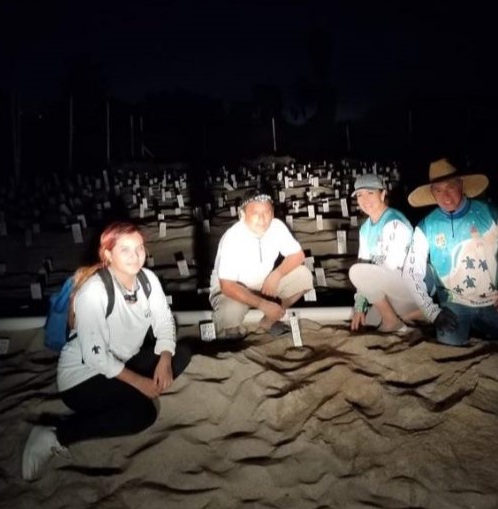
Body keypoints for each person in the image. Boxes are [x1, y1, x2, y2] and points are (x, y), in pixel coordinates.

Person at [22, 221, 192, 481]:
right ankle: (56, 435)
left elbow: (164, 320)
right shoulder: (95, 291)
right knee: (141, 414)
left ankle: (116, 400)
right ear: (108, 254)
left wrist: (165, 358)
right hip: (83, 377)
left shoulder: (148, 280)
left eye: (139, 248)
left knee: (181, 354)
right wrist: (140, 383)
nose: (135, 256)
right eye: (125, 250)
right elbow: (95, 355)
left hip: (124, 359)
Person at [404, 158, 498, 348]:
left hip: (496, 300)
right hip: (454, 305)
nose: (446, 196)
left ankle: (487, 325)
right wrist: (433, 313)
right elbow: (410, 273)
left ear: (462, 185)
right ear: (432, 193)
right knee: (449, 347)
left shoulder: (490, 213)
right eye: (438, 190)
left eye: (450, 187)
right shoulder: (426, 226)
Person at [209, 192, 313, 338]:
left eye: (267, 212)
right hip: (233, 288)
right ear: (243, 216)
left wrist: (276, 275)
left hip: (264, 283)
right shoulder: (233, 238)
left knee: (303, 276)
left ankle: (269, 321)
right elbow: (227, 286)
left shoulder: (276, 227)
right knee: (229, 313)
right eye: (255, 213)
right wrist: (263, 304)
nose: (262, 219)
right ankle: (232, 333)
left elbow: (298, 256)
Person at [348, 173, 424, 332]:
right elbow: (365, 263)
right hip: (389, 286)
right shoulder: (366, 228)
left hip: (409, 286)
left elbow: (388, 269)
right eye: (360, 195)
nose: (365, 200)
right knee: (369, 320)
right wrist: (360, 306)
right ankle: (412, 316)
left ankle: (395, 320)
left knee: (357, 271)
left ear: (382, 194)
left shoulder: (394, 222)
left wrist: (372, 297)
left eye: (370, 193)